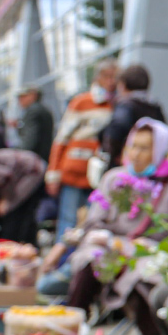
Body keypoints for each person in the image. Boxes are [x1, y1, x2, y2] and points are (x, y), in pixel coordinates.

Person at [49, 118, 168, 335]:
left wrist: (144, 246)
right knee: (91, 258)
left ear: (162, 150)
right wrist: (109, 239)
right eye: (133, 146)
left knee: (143, 270)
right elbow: (94, 222)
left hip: (154, 253)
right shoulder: (114, 179)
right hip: (109, 246)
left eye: (145, 148)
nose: (136, 154)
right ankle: (71, 325)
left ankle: (151, 332)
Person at [49, 60, 117, 229]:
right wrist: (53, 173)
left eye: (114, 77)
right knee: (69, 220)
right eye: (106, 77)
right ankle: (64, 255)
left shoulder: (116, 103)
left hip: (100, 174)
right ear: (98, 78)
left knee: (93, 221)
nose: (111, 82)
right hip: (74, 171)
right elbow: (61, 139)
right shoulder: (81, 102)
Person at [98, 65, 166, 172]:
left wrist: (112, 155)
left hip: (128, 166)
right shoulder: (154, 105)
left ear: (123, 85)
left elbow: (115, 132)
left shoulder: (125, 105)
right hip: (153, 164)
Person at [15, 88, 55, 157]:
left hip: (36, 157)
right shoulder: (43, 109)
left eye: (23, 97)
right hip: (45, 155)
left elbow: (30, 141)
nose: (20, 100)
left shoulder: (33, 111)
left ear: (33, 95)